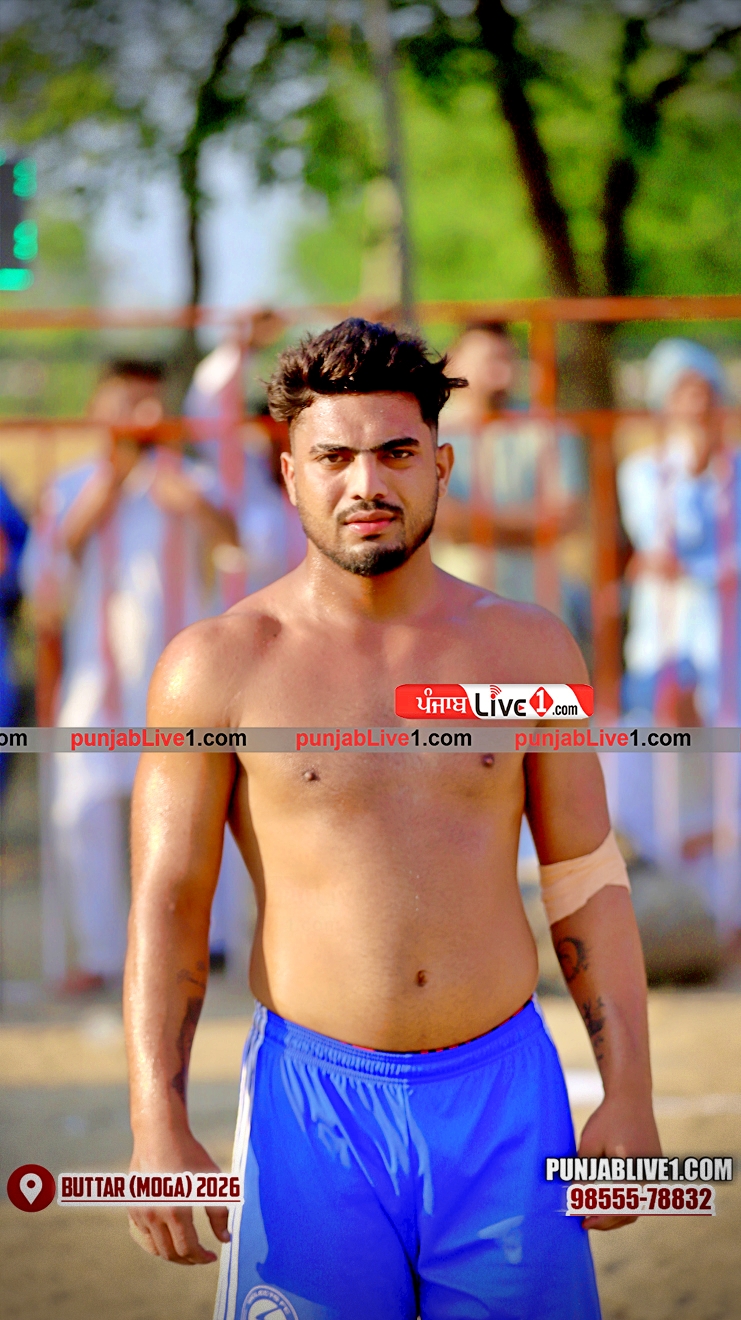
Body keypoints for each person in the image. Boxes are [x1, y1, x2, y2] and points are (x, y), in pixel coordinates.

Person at [125, 319, 659, 1319]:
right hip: (309, 1109)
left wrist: (629, 1091)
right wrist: (156, 1114)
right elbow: (169, 900)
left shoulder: (526, 653)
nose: (365, 484)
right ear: (290, 474)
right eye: (334, 457)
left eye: (396, 453)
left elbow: (586, 878)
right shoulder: (218, 666)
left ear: (440, 466)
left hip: (505, 1103)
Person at [22, 360, 237, 994]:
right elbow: (43, 591)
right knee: (82, 813)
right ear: (99, 410)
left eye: (152, 405)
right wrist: (98, 503)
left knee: (199, 815)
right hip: (98, 690)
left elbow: (244, 557)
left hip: (184, 693)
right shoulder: (68, 489)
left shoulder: (194, 483)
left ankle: (207, 946)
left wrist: (197, 509)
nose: (142, 419)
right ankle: (100, 955)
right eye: (128, 405)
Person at [435, 322, 590, 646]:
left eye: (507, 358)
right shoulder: (432, 431)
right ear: (456, 361)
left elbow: (565, 518)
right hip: (455, 619)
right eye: (490, 359)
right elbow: (442, 520)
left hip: (538, 611)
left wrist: (473, 524)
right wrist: (528, 524)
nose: (502, 372)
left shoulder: (547, 427)